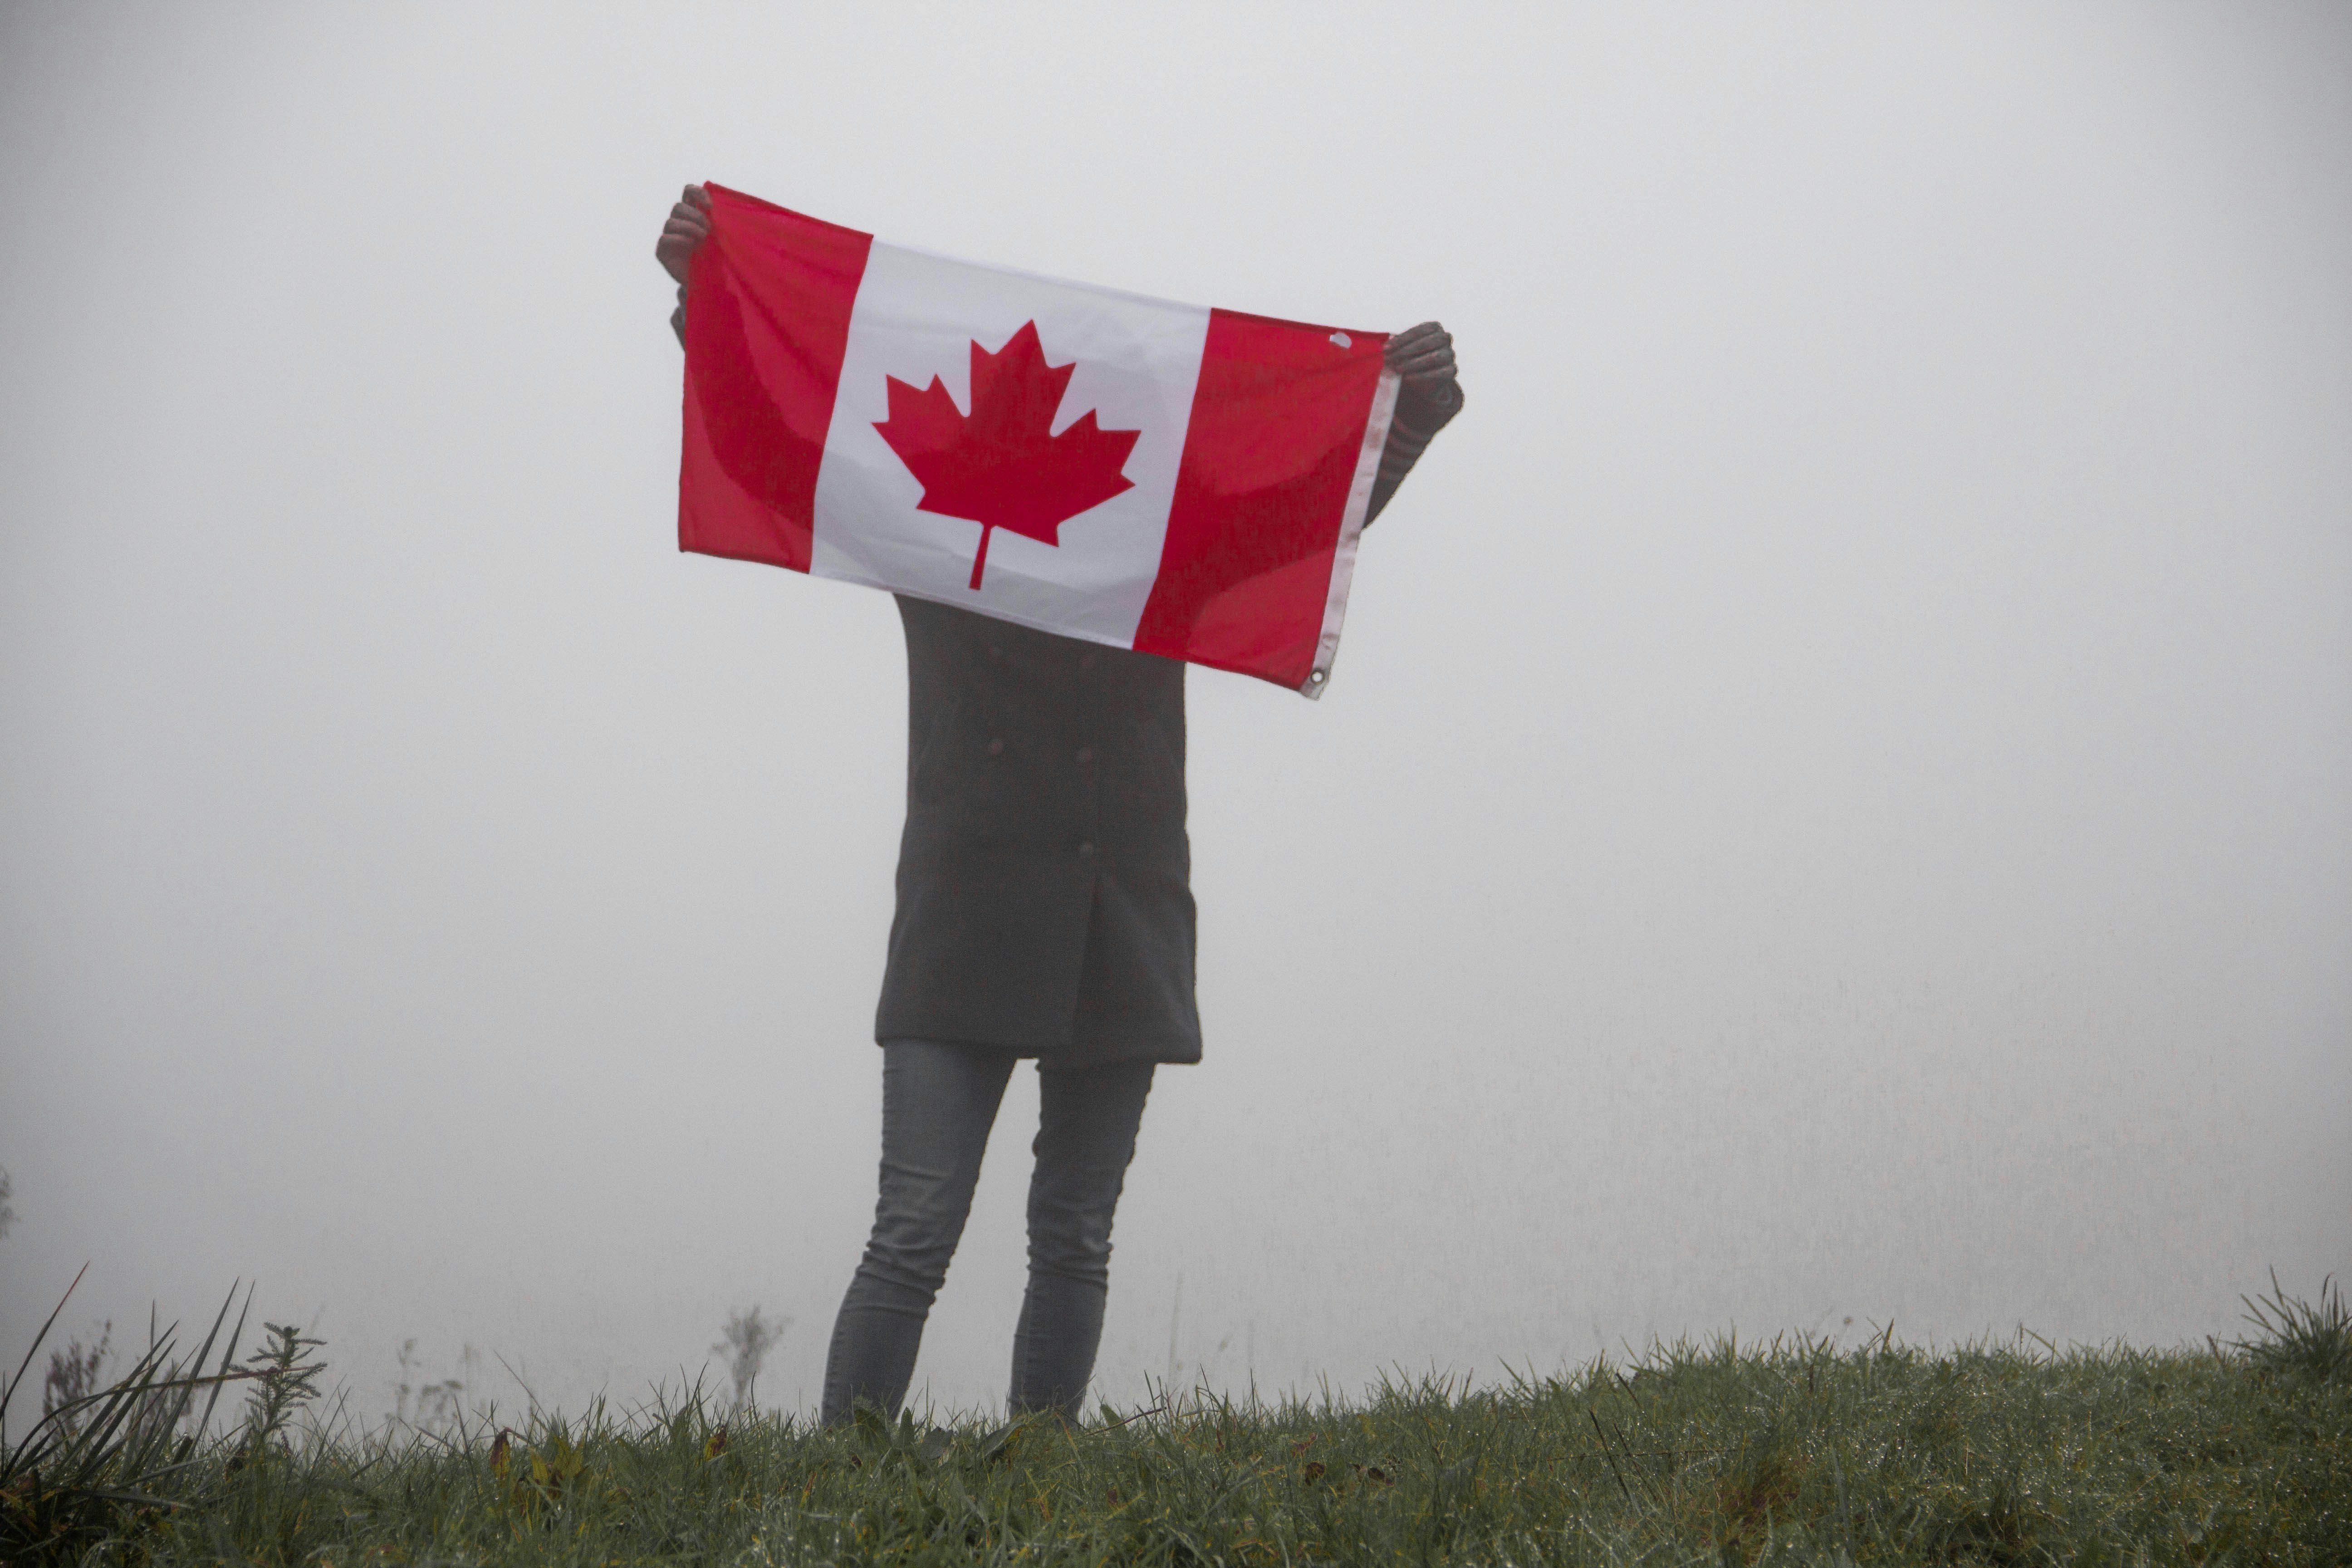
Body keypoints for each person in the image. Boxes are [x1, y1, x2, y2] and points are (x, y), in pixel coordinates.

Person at [656, 185, 1460, 1428]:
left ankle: (1040, 1475)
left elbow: (1310, 520)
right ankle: (845, 1495)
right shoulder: (940, 542)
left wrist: (1407, 421)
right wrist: (704, 297)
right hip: (967, 916)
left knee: (1072, 1233)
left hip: (1120, 921)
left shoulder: (1165, 555)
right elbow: (777, 437)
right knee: (915, 1227)